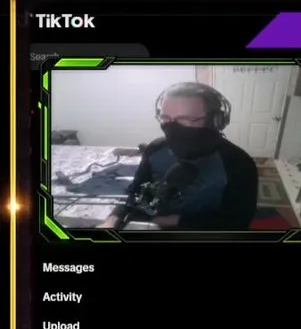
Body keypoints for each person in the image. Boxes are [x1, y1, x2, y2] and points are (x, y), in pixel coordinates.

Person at [99, 82, 258, 230]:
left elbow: (237, 222)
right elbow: (134, 193)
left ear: (215, 121)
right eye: (165, 118)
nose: (172, 126)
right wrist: (113, 220)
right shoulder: (155, 149)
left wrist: (172, 221)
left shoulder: (239, 163)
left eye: (185, 119)